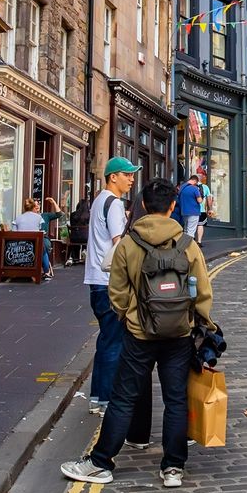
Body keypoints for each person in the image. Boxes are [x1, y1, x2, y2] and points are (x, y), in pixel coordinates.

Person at [61, 178, 215, 487]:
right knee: (176, 400)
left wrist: (131, 316)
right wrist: (199, 325)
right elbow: (203, 292)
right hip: (179, 336)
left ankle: (101, 463)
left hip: (140, 334)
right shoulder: (188, 245)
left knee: (123, 399)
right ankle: (173, 468)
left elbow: (116, 291)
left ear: (143, 205)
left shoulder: (129, 244)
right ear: (173, 207)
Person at [82, 156, 139, 415]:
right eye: (127, 174)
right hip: (108, 282)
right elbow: (120, 244)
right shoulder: (114, 204)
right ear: (113, 176)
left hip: (95, 280)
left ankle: (97, 396)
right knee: (115, 341)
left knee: (106, 340)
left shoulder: (98, 201)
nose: (131, 179)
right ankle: (106, 399)